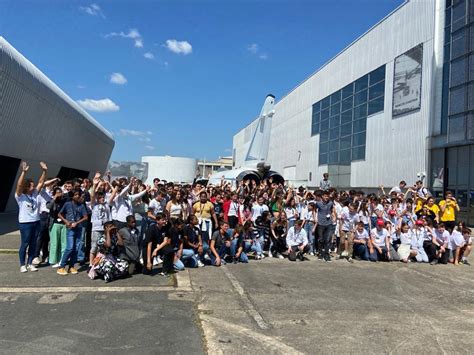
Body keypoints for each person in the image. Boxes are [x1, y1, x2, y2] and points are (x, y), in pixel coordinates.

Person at [15, 161, 48, 273]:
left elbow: (41, 182)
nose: (34, 187)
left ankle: (30, 263)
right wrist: (23, 172)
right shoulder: (20, 196)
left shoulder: (34, 194)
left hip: (36, 222)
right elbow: (19, 185)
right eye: (32, 185)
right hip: (25, 223)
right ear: (27, 186)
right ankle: (22, 264)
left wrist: (44, 171)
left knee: (33, 243)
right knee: (25, 243)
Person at [57, 189, 89, 275]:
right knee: (70, 247)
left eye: (78, 194)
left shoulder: (81, 205)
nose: (77, 196)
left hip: (78, 228)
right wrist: (66, 222)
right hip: (70, 229)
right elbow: (59, 214)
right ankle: (61, 267)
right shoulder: (67, 204)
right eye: (75, 195)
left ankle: (71, 266)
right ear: (72, 196)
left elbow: (85, 217)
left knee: (76, 248)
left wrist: (77, 223)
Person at [47, 187, 68, 268]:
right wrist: (54, 197)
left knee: (64, 243)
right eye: (57, 192)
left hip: (64, 224)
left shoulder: (64, 201)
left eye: (60, 192)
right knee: (54, 243)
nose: (59, 194)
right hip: (54, 223)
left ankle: (62, 260)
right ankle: (53, 260)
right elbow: (49, 207)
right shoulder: (51, 201)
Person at [315, 191, 336, 262]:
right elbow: (314, 210)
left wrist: (333, 216)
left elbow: (332, 210)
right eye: (325, 196)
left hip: (328, 223)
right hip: (320, 223)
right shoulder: (318, 203)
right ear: (322, 197)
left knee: (327, 240)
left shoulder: (330, 203)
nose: (326, 197)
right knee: (321, 239)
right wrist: (315, 218)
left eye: (327, 196)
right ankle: (320, 253)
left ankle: (326, 255)